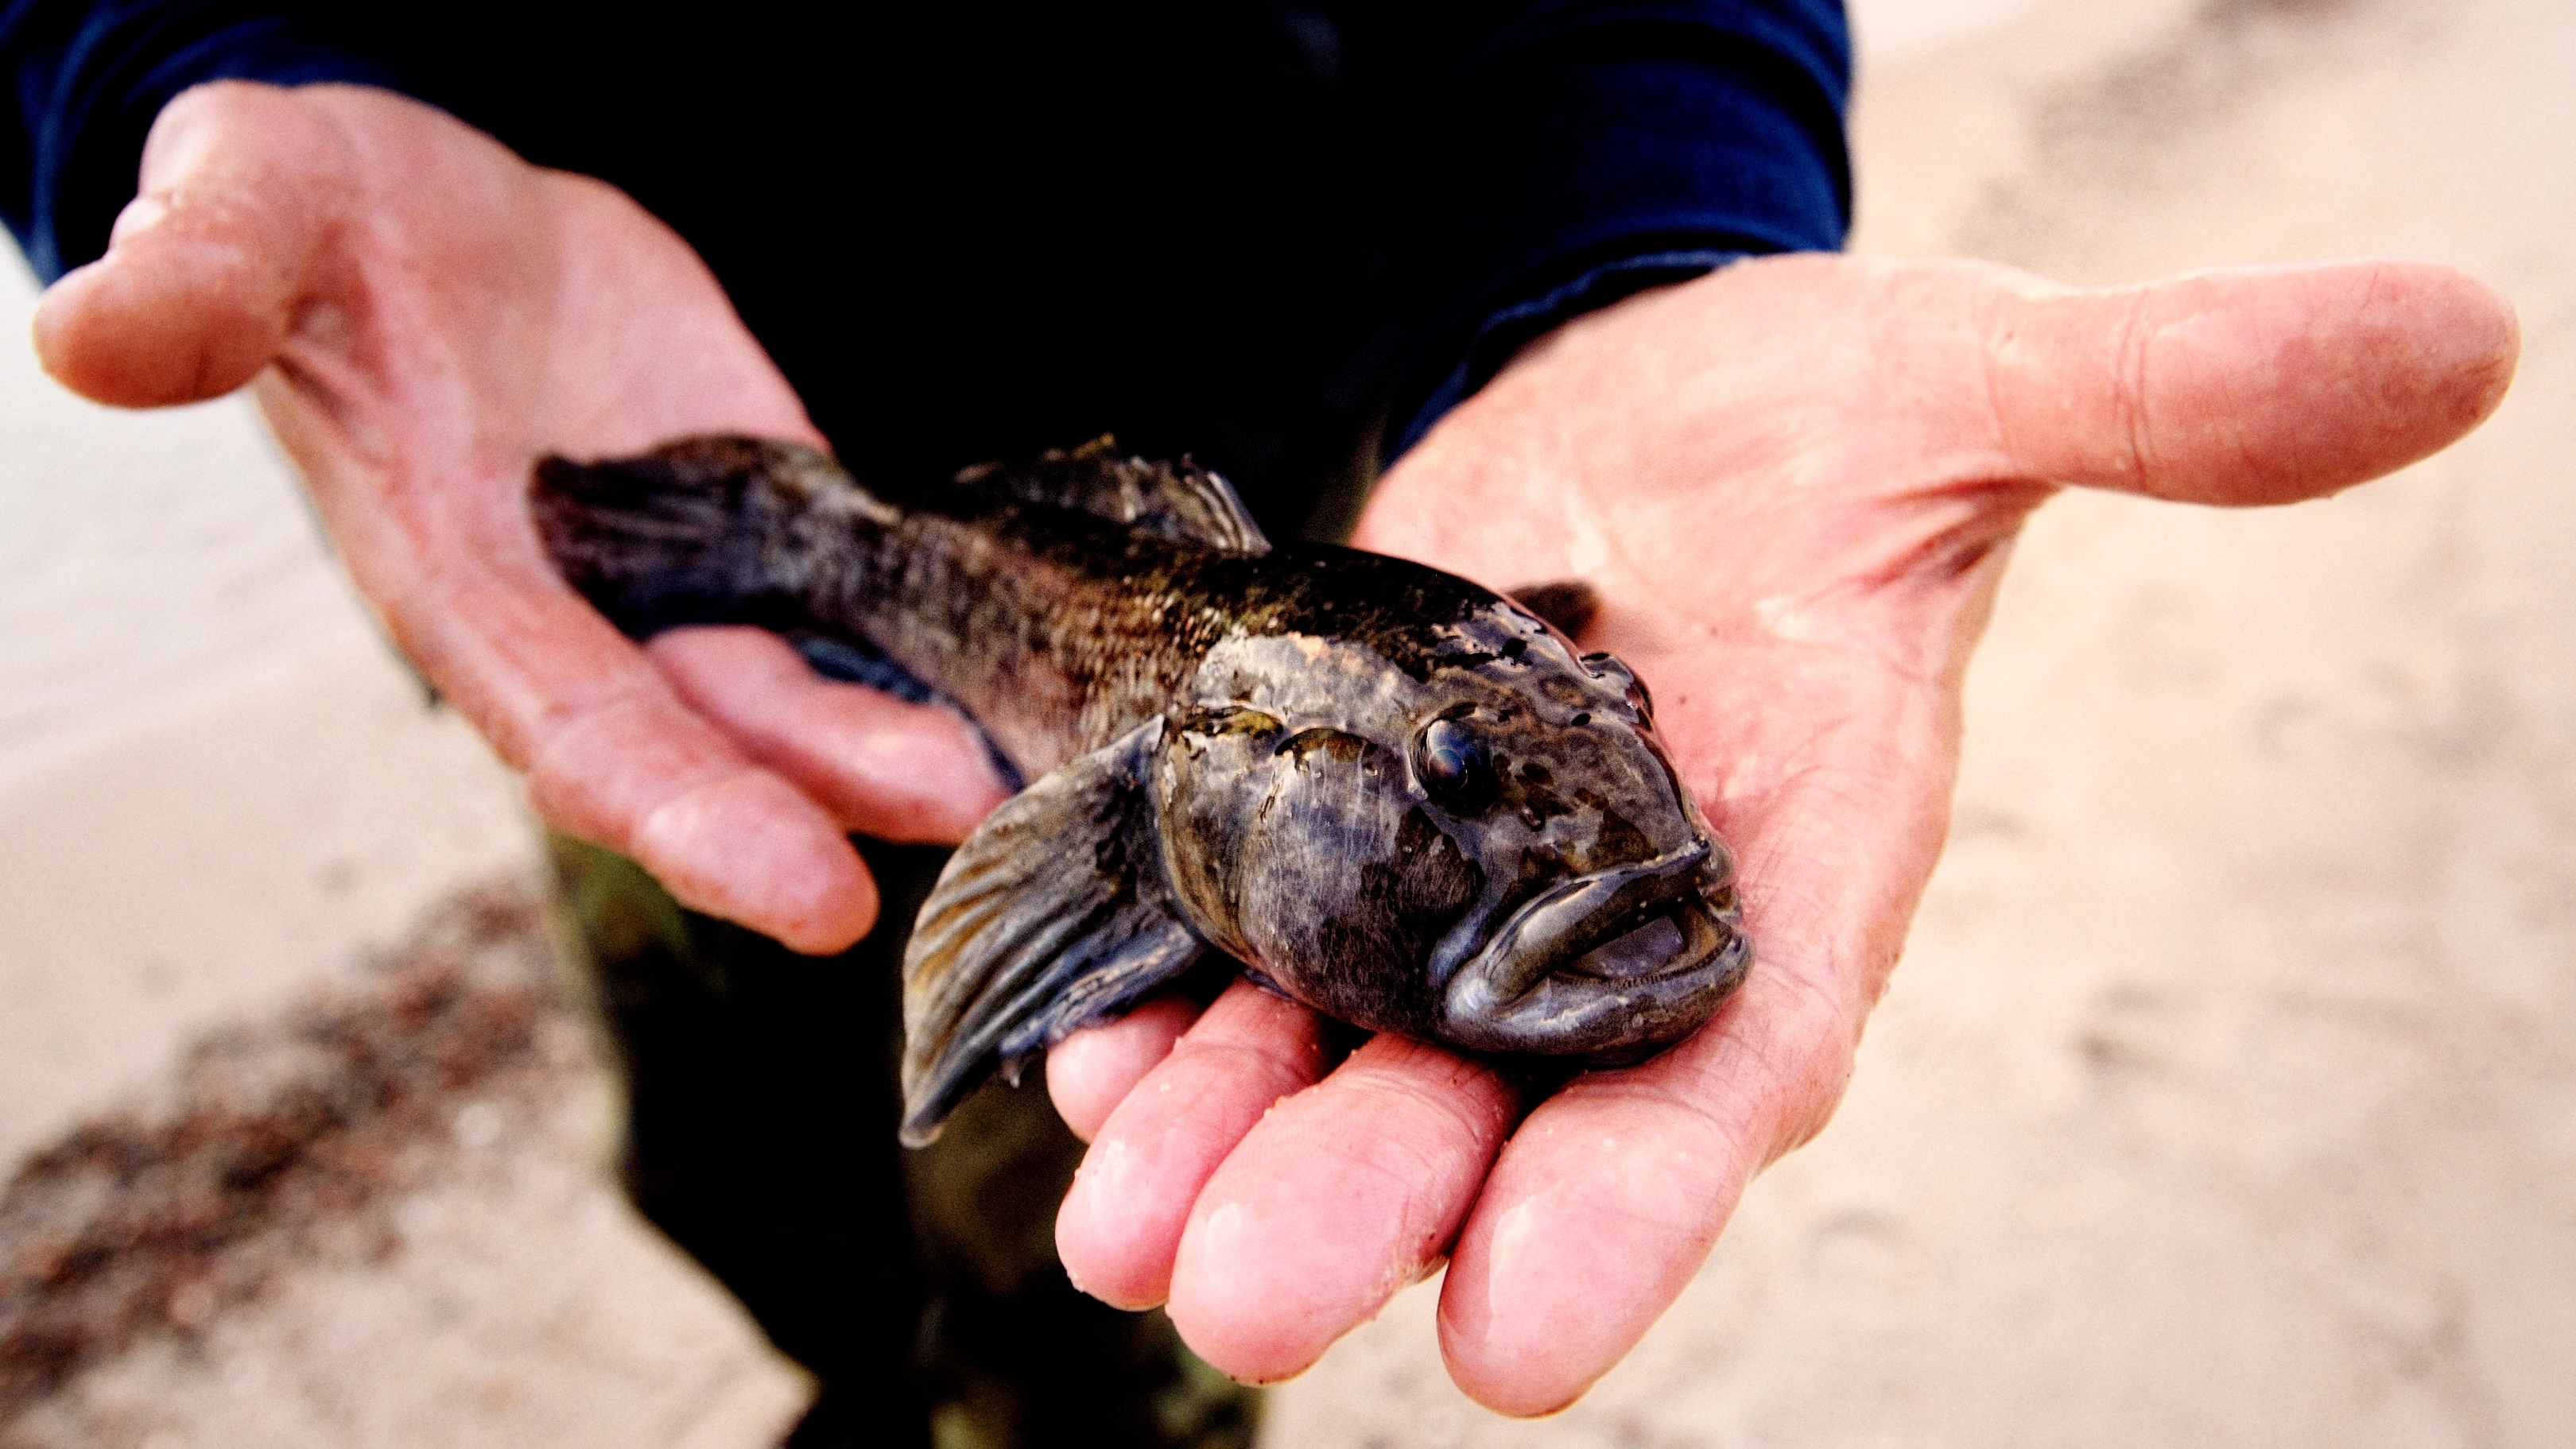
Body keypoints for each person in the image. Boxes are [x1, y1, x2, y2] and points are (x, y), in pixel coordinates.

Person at [1, 3, 2517, 1445]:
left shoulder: (1320, 754)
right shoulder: (1150, 774)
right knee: (724, 1140)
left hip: (1297, 357)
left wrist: (1636, 253)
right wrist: (168, 52)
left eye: (1578, 734)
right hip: (561, 372)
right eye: (1468, 787)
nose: (1621, 853)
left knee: (1088, 1291)